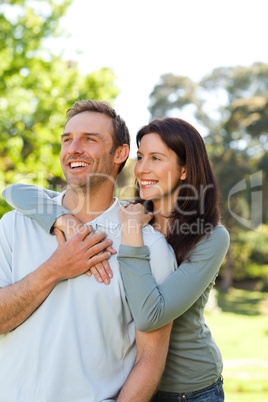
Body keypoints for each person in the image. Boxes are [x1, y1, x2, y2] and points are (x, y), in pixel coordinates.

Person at [3, 117, 230, 401]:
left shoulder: (209, 236)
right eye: (140, 157)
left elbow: (150, 316)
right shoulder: (128, 213)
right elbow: (16, 191)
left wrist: (133, 235)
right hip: (133, 383)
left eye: (156, 158)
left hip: (187, 389)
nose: (142, 168)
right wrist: (63, 219)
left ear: (184, 170)